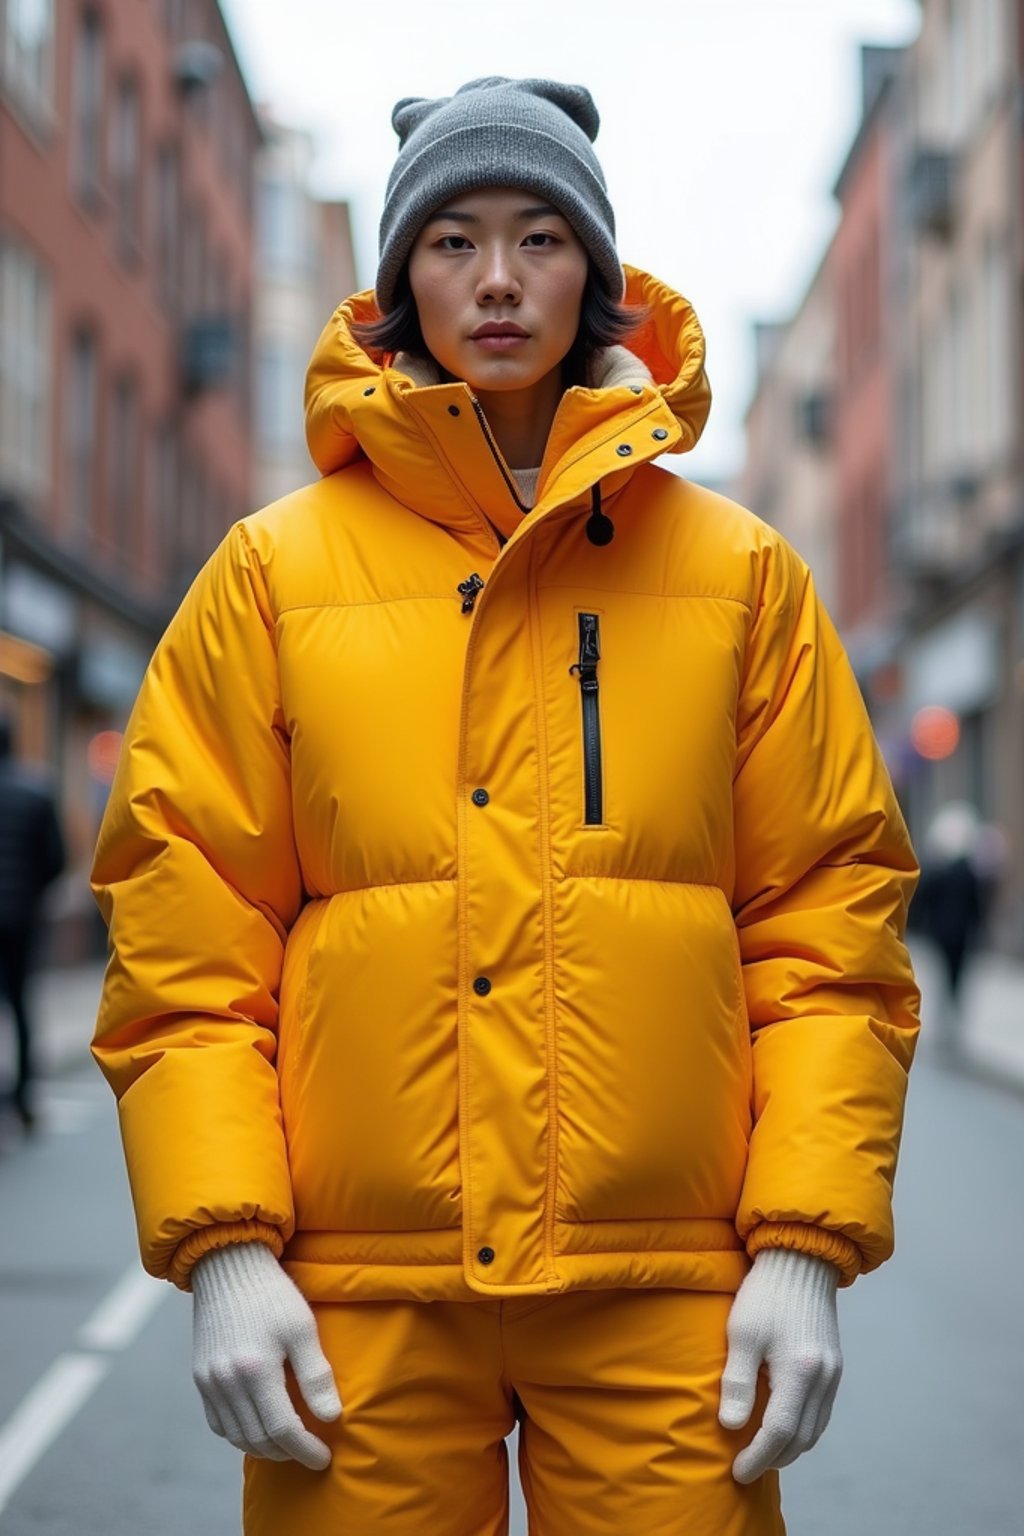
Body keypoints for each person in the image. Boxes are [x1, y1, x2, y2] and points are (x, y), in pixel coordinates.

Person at [89, 77, 922, 1535]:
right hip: (362, 1300)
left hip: (665, 1295)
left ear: (594, 275)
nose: (494, 280)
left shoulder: (740, 578)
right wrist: (228, 1251)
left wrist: (802, 1247)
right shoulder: (272, 579)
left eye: (540, 238)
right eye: (453, 239)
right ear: (403, 276)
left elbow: (829, 926)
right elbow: (187, 932)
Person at [0, 710, 67, 1132]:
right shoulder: (35, 791)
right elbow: (56, 859)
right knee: (22, 1006)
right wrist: (31, 893)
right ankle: (23, 1099)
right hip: (20, 919)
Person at [913, 800, 984, 1055]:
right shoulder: (968, 872)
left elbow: (923, 900)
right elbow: (977, 904)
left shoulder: (940, 871)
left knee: (946, 973)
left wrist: (920, 925)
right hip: (961, 932)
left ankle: (948, 1015)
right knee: (957, 974)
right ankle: (953, 1013)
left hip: (942, 932)